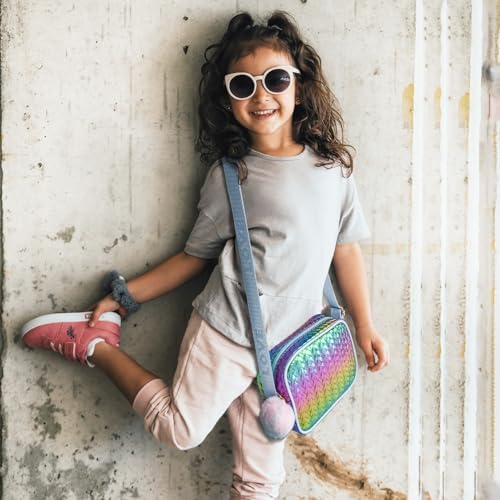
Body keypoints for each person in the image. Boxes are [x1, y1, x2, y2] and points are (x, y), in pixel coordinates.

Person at [21, 10, 390, 499]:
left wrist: (364, 324)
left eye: (276, 79)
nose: (262, 95)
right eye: (243, 85)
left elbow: (345, 249)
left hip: (288, 350)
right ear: (228, 101)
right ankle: (96, 345)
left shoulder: (333, 170)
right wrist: (125, 297)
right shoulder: (232, 175)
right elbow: (193, 258)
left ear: (299, 87)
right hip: (228, 332)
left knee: (262, 481)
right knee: (179, 429)